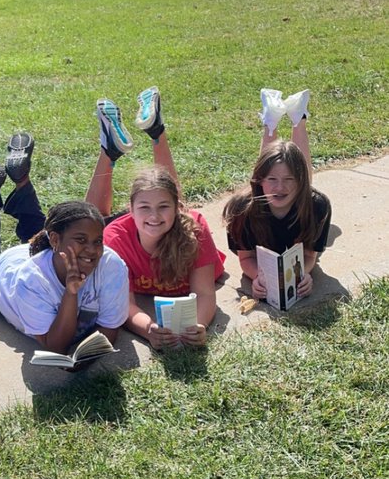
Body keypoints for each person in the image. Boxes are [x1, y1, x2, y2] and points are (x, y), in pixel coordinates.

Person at [0, 135, 129, 354]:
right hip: (1, 271)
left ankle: (20, 180)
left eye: (98, 241)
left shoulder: (111, 264)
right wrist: (70, 292)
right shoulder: (30, 281)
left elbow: (110, 330)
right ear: (54, 241)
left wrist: (87, 357)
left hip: (46, 252)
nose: (92, 250)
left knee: (47, 232)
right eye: (82, 240)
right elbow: (55, 346)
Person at [85, 92, 225, 349]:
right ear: (130, 209)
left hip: (175, 223)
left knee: (162, 191)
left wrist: (201, 325)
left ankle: (156, 130)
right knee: (90, 223)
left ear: (177, 208)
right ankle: (110, 150)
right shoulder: (116, 238)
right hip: (124, 227)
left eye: (164, 207)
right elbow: (123, 304)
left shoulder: (194, 228)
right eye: (144, 208)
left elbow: (205, 293)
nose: (154, 216)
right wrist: (148, 329)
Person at [223, 89, 332, 301]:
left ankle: (292, 119)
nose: (279, 188)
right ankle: (281, 120)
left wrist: (303, 274)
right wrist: (259, 278)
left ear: (300, 184)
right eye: (270, 181)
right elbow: (246, 258)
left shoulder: (318, 206)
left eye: (290, 181)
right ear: (258, 181)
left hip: (301, 202)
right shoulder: (240, 210)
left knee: (290, 166)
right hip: (260, 202)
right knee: (279, 164)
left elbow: (310, 255)